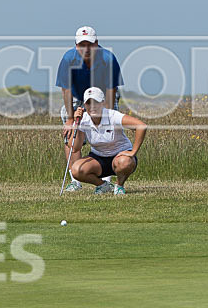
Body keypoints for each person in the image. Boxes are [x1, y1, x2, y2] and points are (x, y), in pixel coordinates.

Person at [57, 26, 123, 192]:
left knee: (108, 134)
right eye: (81, 45)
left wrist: (105, 116)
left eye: (90, 44)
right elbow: (66, 89)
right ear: (76, 45)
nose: (86, 49)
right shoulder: (68, 58)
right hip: (78, 96)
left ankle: (105, 180)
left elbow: (111, 90)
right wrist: (71, 119)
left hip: (103, 96)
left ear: (97, 44)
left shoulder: (108, 58)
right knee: (71, 136)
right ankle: (75, 180)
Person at [69, 87, 146, 195]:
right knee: (76, 170)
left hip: (120, 156)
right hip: (98, 158)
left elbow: (141, 126)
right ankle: (103, 185)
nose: (92, 107)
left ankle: (119, 186)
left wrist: (133, 151)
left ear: (103, 103)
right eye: (88, 103)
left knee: (124, 162)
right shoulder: (83, 119)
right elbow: (76, 147)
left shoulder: (112, 115)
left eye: (96, 102)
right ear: (84, 106)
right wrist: (75, 124)